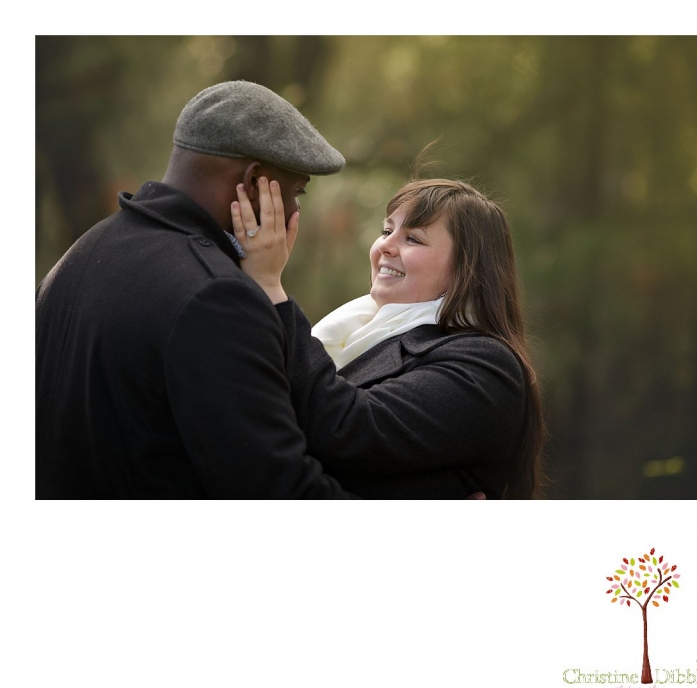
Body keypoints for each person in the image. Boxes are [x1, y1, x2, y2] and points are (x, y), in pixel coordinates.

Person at [35, 80, 360, 498]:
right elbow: (279, 490)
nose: (295, 211)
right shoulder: (216, 297)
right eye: (297, 192)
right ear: (255, 182)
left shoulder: (80, 254)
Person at [232, 177, 546, 498]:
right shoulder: (353, 332)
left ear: (467, 269)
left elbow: (349, 430)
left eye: (413, 238)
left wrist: (269, 287)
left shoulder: (485, 365)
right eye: (386, 231)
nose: (385, 245)